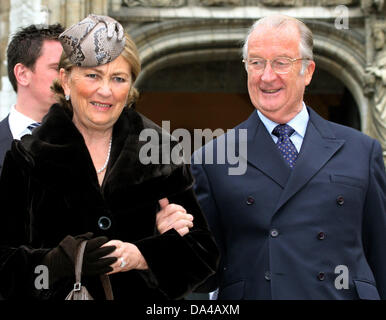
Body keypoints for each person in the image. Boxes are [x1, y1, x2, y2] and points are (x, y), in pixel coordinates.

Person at [0, 14, 219, 300]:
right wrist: (58, 264)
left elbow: (205, 260)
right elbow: (3, 269)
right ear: (65, 81)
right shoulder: (27, 157)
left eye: (118, 78)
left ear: (129, 87)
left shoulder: (160, 152)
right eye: (92, 75)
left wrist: (144, 254)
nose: (105, 91)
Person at [191, 15, 386, 300]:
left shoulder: (361, 151)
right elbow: (202, 277)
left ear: (308, 71)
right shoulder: (212, 159)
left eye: (281, 62)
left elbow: (381, 255)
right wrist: (176, 241)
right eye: (256, 63)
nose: (267, 76)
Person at [0, 24, 64, 174]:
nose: (68, 77)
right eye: (57, 68)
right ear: (22, 74)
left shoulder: (93, 142)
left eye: (70, 69)